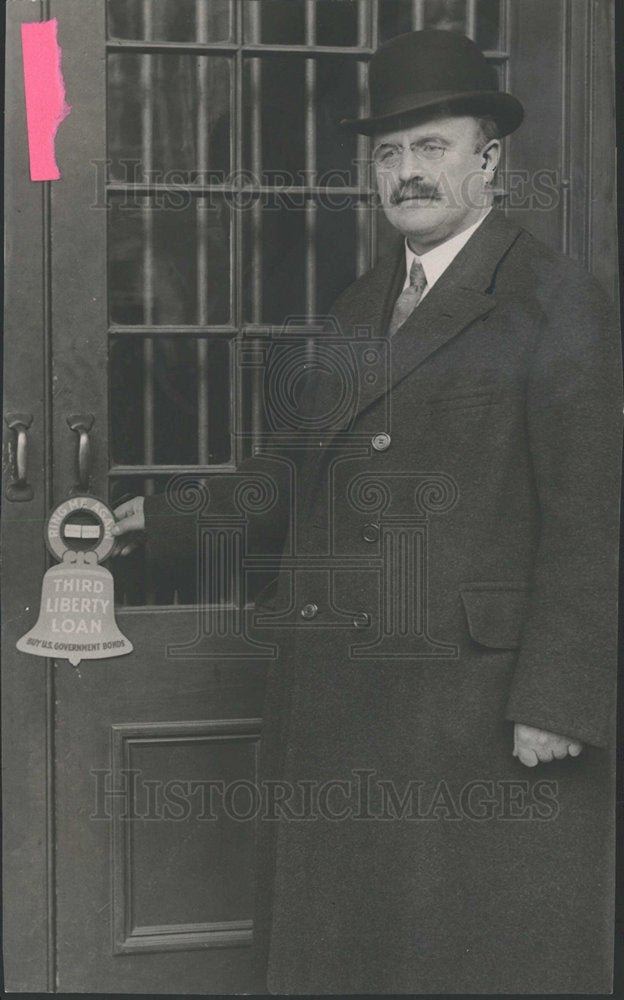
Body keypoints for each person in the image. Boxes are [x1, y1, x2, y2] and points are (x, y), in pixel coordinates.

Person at [112, 29, 621, 995]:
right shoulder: (356, 307)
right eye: (388, 153)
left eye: (431, 147)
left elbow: (594, 520)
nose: (406, 173)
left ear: (489, 160)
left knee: (468, 962)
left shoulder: (556, 299)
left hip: (480, 714)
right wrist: (152, 518)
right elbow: (290, 477)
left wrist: (557, 703)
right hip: (347, 705)